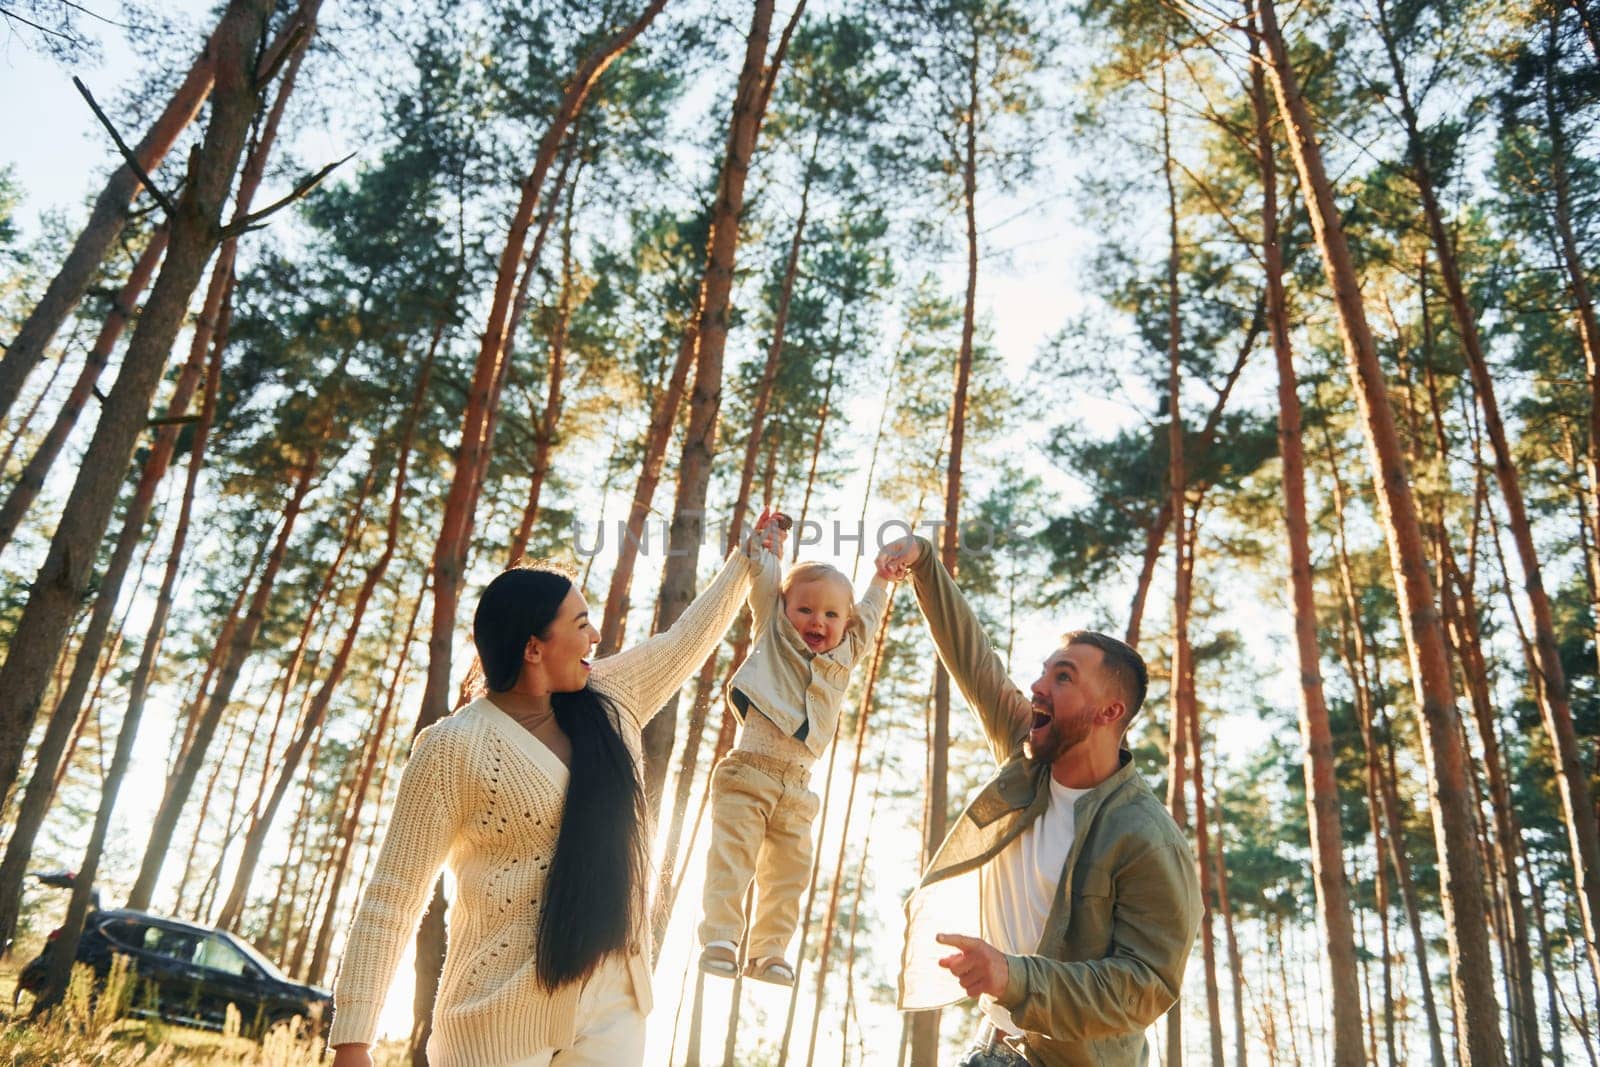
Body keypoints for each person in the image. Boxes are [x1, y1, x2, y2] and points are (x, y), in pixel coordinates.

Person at [327, 515, 783, 1067]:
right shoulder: (452, 747)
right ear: (534, 648)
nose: (596, 637)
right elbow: (393, 896)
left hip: (613, 1005)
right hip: (494, 1020)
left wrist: (746, 561)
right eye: (581, 623)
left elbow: (684, 641)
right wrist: (353, 1039)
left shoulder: (612, 698)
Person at [877, 534, 1201, 1067]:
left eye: (1063, 677)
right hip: (996, 1050)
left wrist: (1014, 977)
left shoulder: (1146, 837)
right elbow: (973, 658)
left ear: (1108, 712)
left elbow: (1146, 986)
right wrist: (924, 564)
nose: (1037, 685)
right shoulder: (1027, 756)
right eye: (1045, 671)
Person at [697, 508, 889, 987]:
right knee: (733, 856)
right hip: (750, 773)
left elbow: (868, 613)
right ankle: (721, 937)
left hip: (798, 791)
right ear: (785, 610)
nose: (817, 621)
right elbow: (764, 581)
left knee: (788, 877)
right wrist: (767, 547)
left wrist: (882, 579)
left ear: (845, 623)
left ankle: (769, 952)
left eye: (830, 614)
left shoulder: (846, 652)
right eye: (805, 609)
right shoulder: (774, 631)